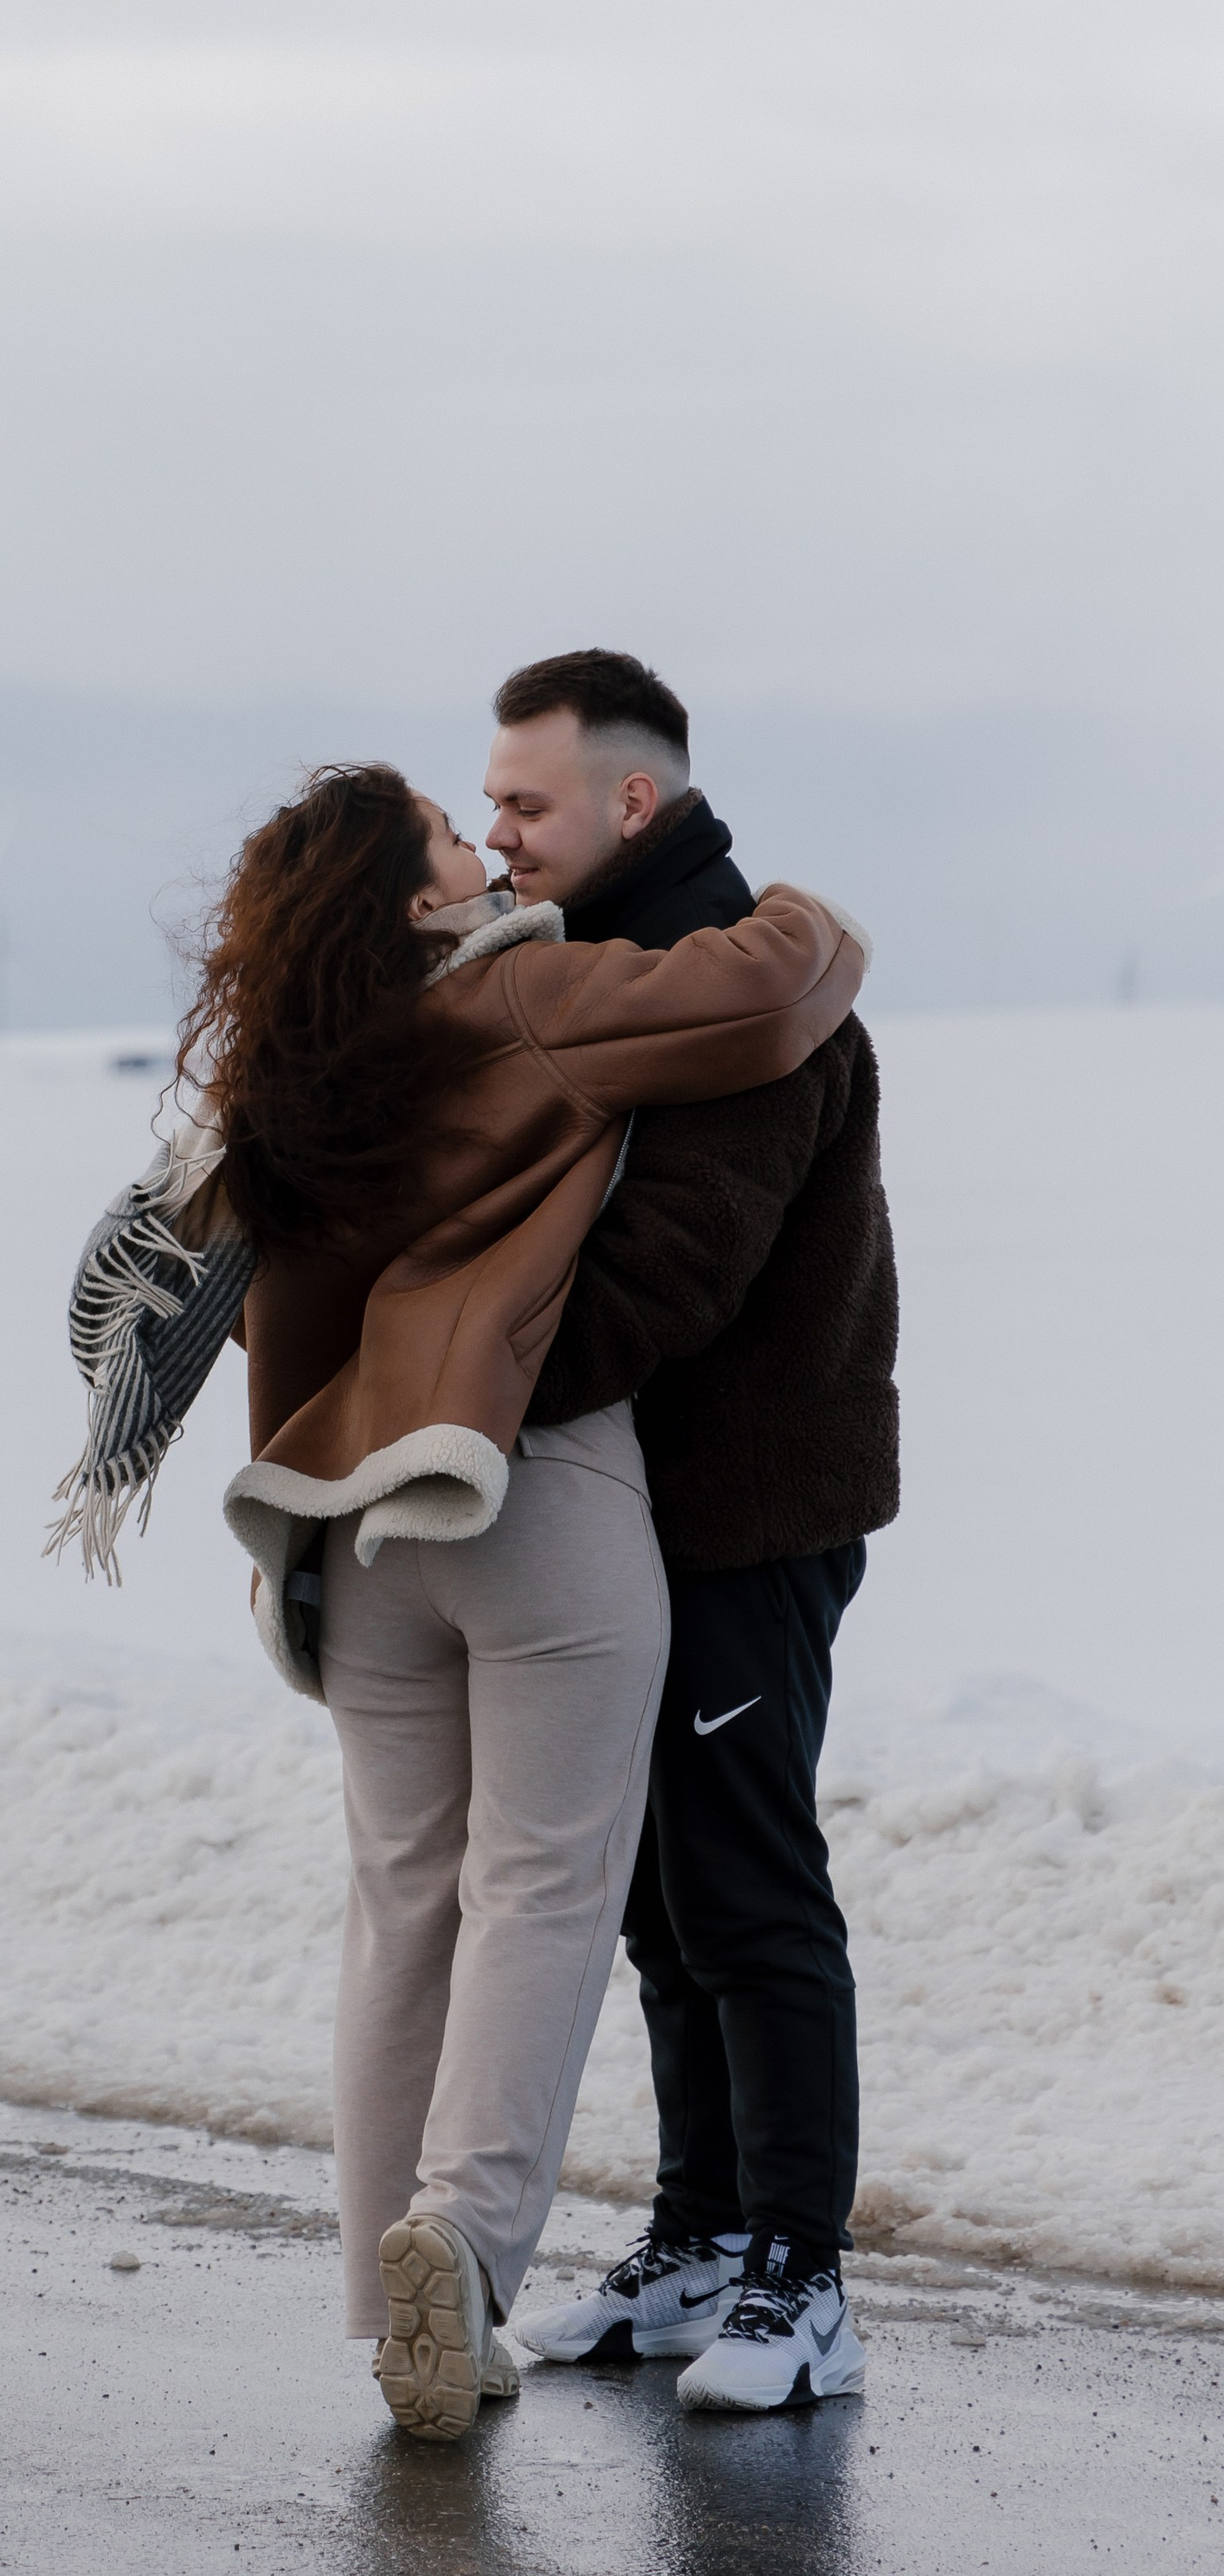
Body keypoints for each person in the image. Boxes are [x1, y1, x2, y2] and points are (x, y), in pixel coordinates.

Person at [53, 762, 870, 2441]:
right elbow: (772, 982)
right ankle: (466, 2242)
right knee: (543, 1889)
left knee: (399, 1901)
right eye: (451, 833)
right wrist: (793, 906)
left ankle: (390, 2305)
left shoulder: (284, 1081)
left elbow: (130, 1289)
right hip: (521, 1491)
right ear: (420, 905)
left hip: (343, 1532)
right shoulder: (525, 993)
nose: (483, 843)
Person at [486, 652, 896, 2417]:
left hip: (745, 1515)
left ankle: (802, 2281)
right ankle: (697, 2238)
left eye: (523, 803)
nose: (493, 834)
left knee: (746, 1889)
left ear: (628, 803)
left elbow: (672, 1273)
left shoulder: (744, 1004)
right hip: (638, 1511)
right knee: (659, 1903)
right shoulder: (612, 982)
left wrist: (447, 1395)